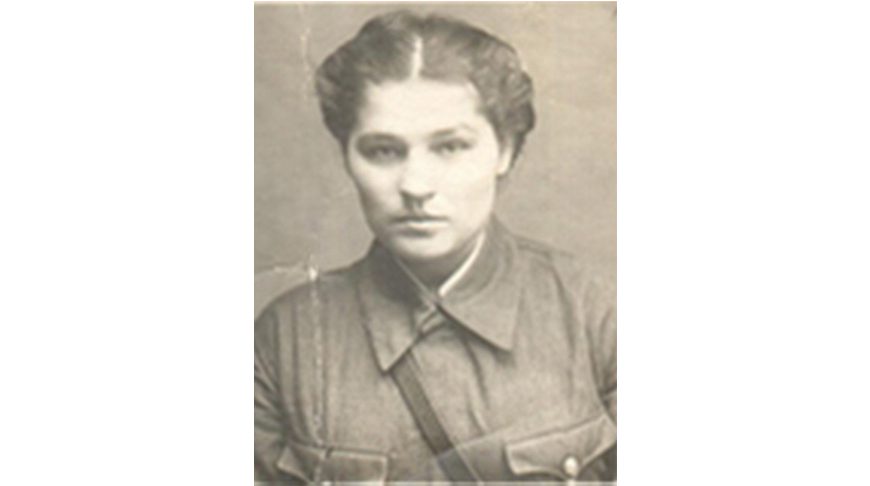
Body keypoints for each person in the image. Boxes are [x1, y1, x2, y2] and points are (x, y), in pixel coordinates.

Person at [255, 10, 616, 482]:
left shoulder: (594, 314)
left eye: (450, 147)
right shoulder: (286, 340)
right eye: (383, 151)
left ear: (506, 150)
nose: (416, 185)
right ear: (346, 157)